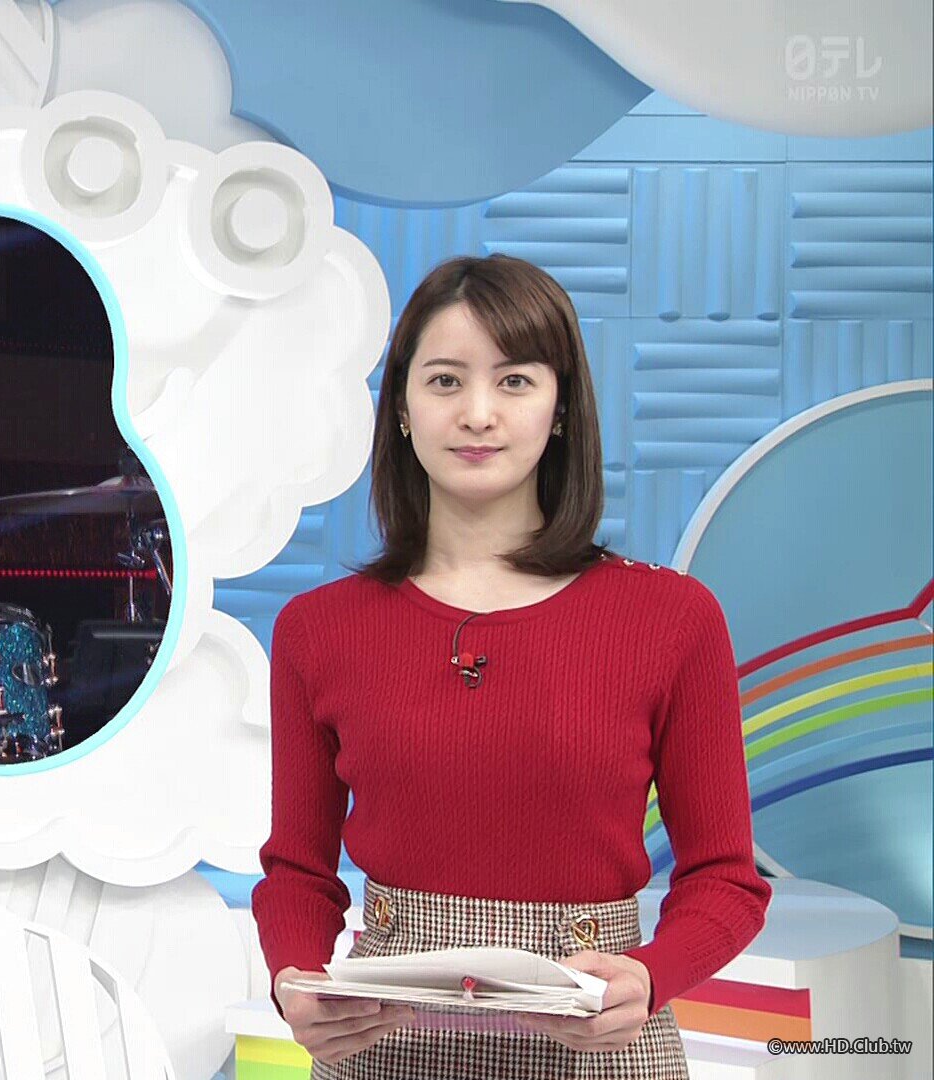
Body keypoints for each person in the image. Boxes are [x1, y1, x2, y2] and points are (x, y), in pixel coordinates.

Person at [253, 254, 770, 1078]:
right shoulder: (318, 630)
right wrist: (294, 982)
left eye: (516, 381)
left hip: (595, 1037)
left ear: (561, 408)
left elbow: (725, 881)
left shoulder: (672, 618)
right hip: (383, 1041)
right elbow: (297, 872)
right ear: (401, 409)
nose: (478, 414)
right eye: (445, 381)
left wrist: (648, 977)